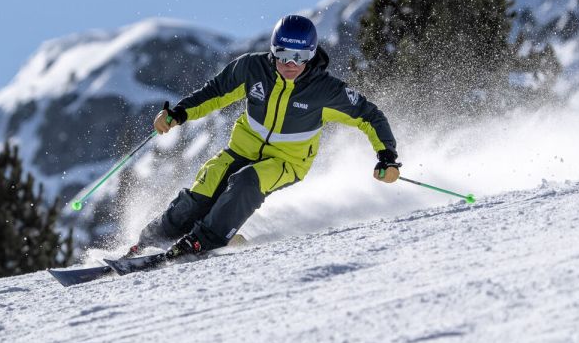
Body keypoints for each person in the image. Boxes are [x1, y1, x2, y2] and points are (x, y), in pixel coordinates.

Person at [132, 14, 402, 258]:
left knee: (246, 182)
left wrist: (386, 157)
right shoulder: (252, 69)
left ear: (311, 54)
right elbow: (215, 92)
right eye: (283, 53)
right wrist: (178, 114)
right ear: (273, 49)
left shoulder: (325, 90)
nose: (290, 63)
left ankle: (204, 241)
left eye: (299, 56)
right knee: (206, 187)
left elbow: (369, 116)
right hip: (241, 149)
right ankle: (151, 239)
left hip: (287, 162)